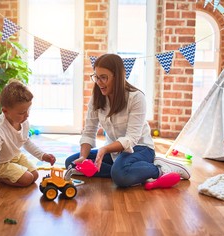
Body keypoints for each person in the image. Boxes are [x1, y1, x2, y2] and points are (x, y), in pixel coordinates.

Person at [65, 53, 190, 188]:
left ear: (117, 77)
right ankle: (130, 170)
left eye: (103, 77)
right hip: (114, 152)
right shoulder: (97, 98)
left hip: (140, 148)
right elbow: (89, 131)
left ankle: (158, 168)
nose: (99, 82)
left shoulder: (136, 98)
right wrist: (83, 157)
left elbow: (131, 139)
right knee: (71, 163)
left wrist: (104, 149)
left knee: (120, 175)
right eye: (96, 77)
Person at [0, 81, 56, 202]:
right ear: (5, 111)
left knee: (35, 176)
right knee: (27, 179)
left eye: (28, 110)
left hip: (15, 156)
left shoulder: (23, 121)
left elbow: (26, 142)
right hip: (1, 162)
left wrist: (43, 155)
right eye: (22, 112)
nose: (27, 115)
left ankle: (11, 172)